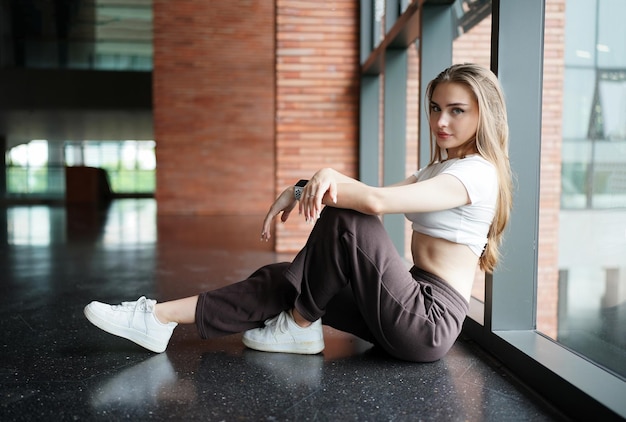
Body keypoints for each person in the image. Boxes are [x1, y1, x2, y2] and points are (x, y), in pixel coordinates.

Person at [84, 63, 512, 362]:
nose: (441, 121)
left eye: (457, 110)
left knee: (351, 220)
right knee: (285, 278)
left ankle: (301, 322)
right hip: (404, 306)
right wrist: (302, 187)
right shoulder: (439, 168)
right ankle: (158, 319)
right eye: (436, 107)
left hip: (426, 322)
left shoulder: (478, 173)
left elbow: (374, 203)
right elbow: (370, 192)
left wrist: (324, 176)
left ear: (483, 114)